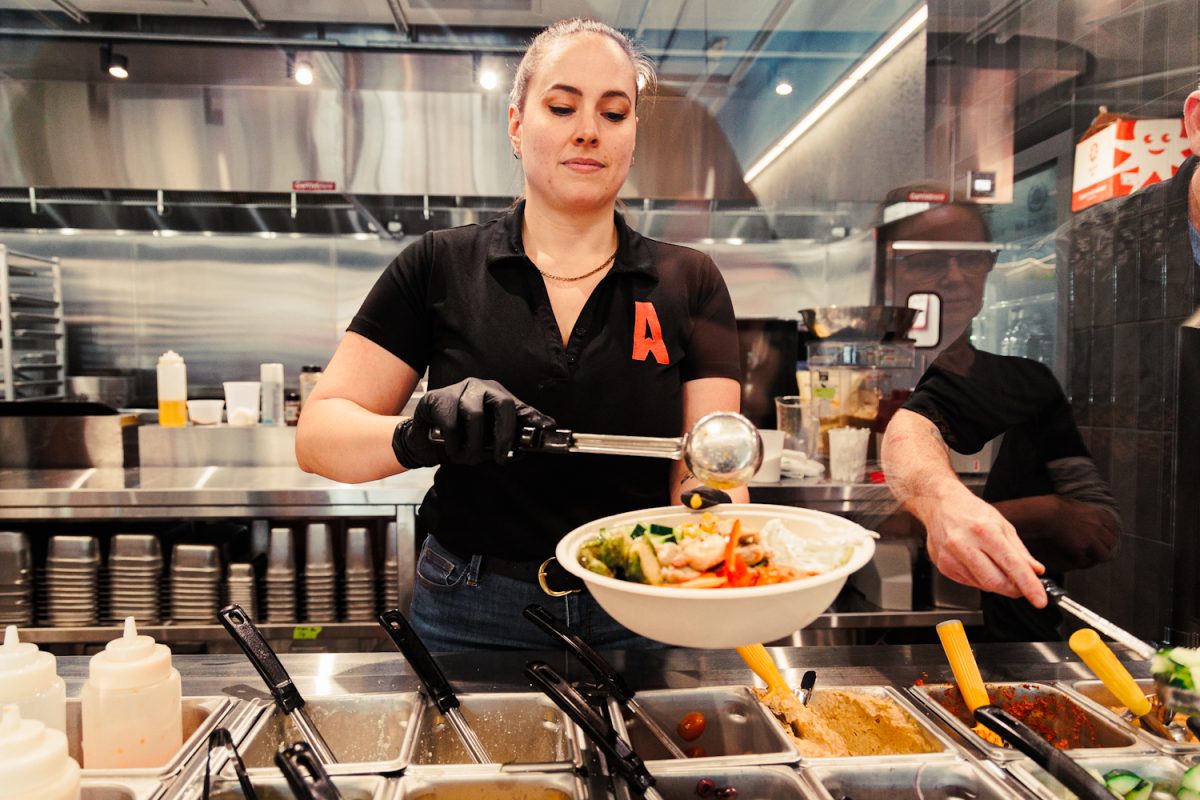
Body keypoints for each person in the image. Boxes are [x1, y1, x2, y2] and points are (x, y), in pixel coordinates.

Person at [296, 18, 746, 651]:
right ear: (516, 123)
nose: (588, 129)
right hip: (469, 605)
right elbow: (319, 437)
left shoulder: (689, 280)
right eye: (562, 107)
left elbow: (710, 463)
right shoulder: (439, 265)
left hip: (643, 603)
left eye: (614, 114)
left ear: (633, 137)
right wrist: (420, 428)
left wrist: (710, 529)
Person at [879, 197, 1120, 640]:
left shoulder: (1026, 382)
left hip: (1009, 631)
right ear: (888, 271)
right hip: (886, 626)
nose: (953, 276)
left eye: (971, 258)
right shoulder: (861, 385)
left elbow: (1095, 524)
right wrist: (1043, 513)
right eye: (930, 259)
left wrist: (1037, 515)